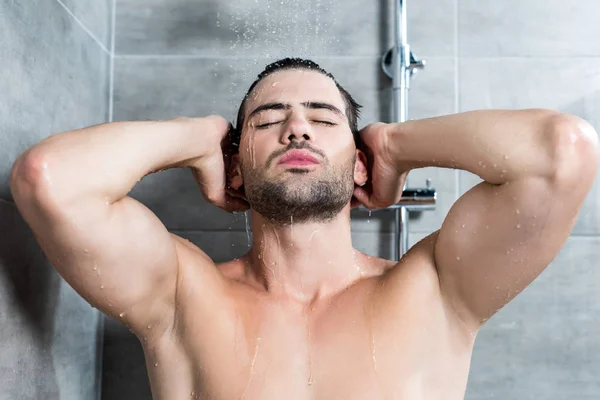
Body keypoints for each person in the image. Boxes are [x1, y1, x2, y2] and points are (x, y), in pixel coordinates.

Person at [9, 57, 599, 399]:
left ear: (360, 162)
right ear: (235, 164)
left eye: (323, 119)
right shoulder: (181, 295)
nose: (297, 130)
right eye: (269, 120)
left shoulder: (436, 291)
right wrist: (200, 137)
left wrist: (394, 145)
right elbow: (48, 179)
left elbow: (563, 151)